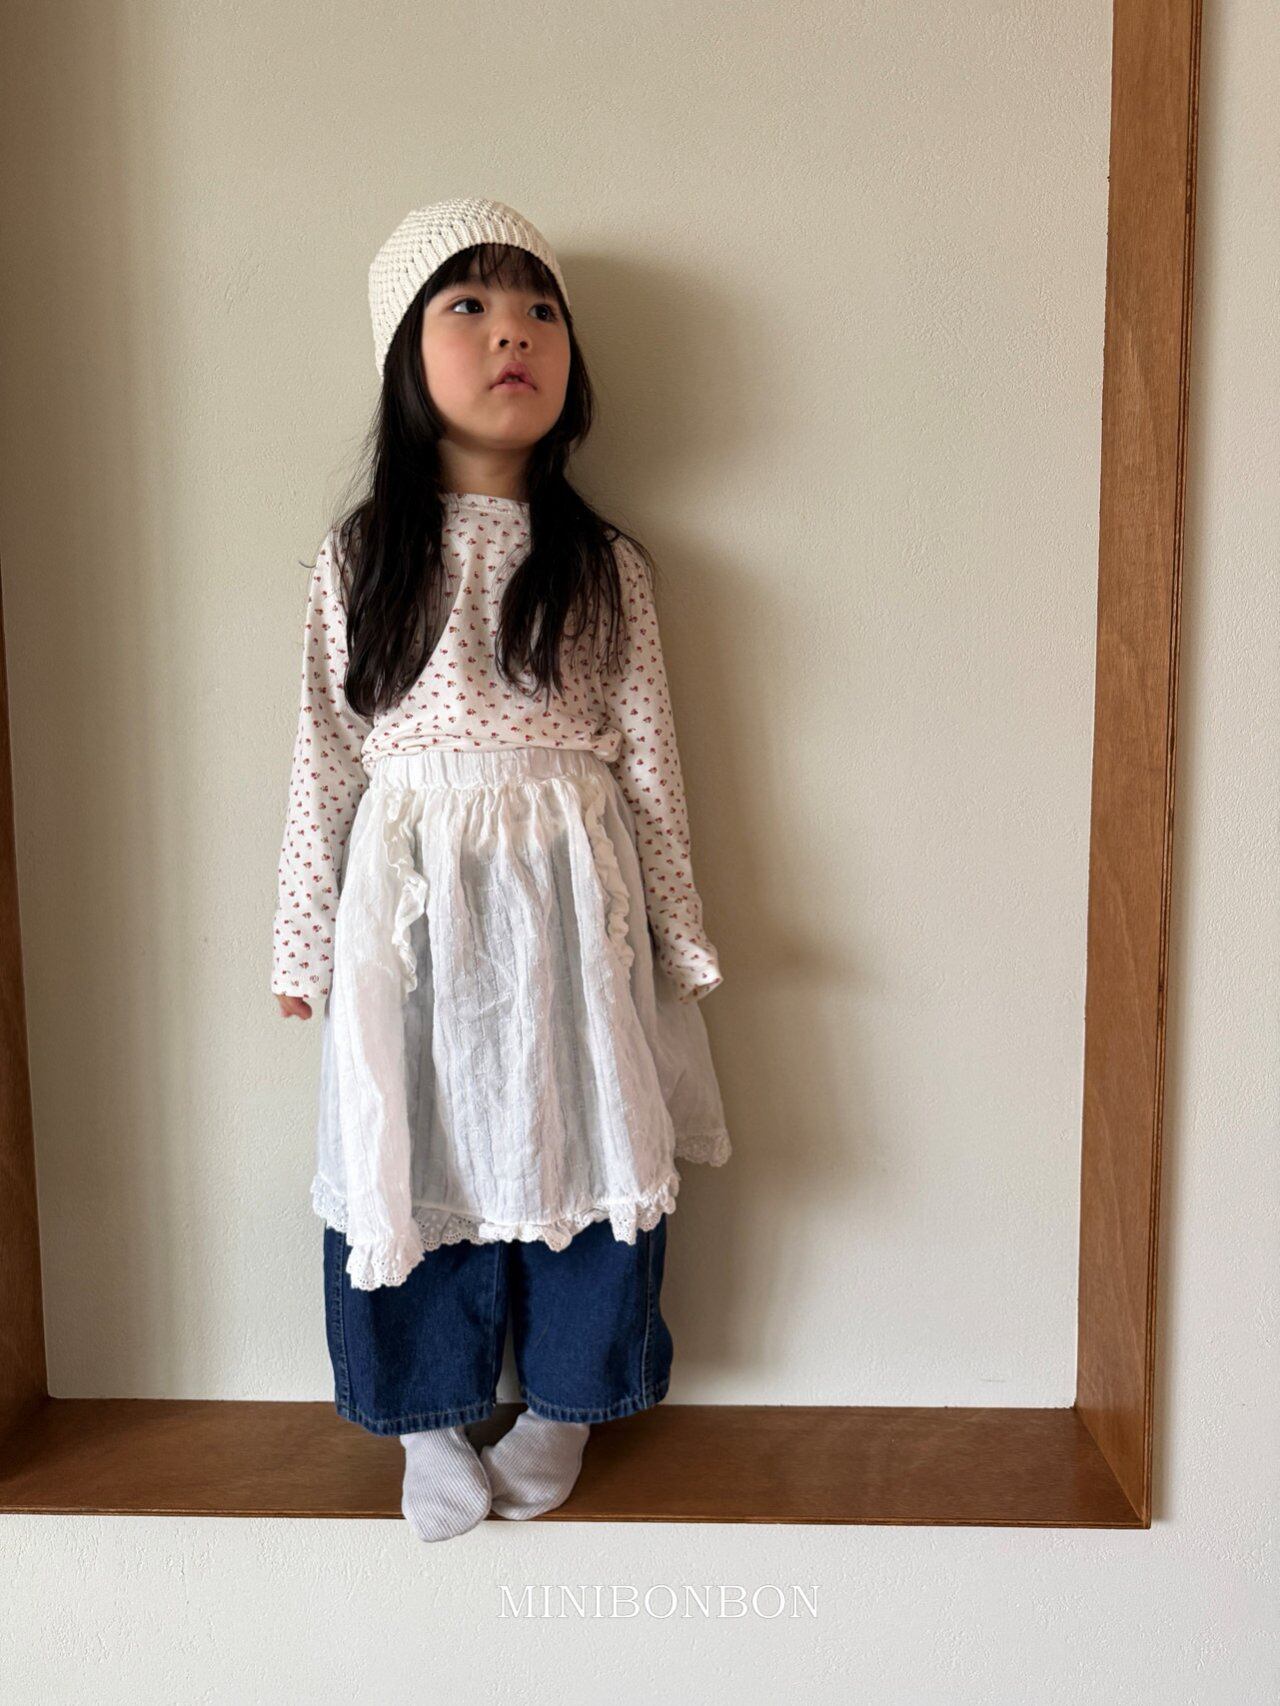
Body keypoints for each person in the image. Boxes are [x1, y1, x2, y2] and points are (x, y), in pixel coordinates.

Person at [271, 197, 729, 1542]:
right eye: (467, 307)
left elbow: (652, 760)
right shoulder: (361, 559)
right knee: (407, 1134)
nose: (510, 334)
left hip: (573, 907)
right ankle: (423, 1415)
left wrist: (679, 932)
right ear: (405, 356)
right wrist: (300, 940)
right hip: (412, 911)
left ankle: (569, 1403)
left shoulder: (605, 565)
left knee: (591, 1131)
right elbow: (324, 758)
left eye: (538, 310)